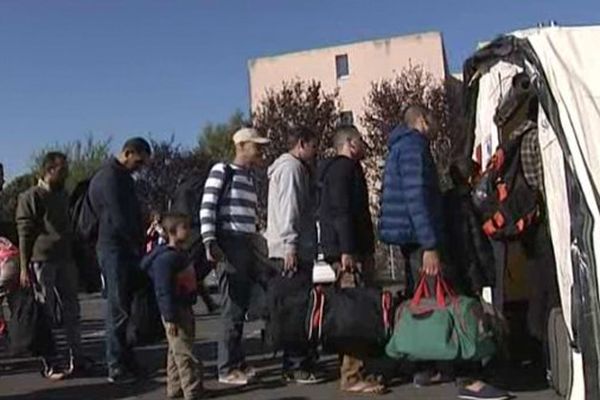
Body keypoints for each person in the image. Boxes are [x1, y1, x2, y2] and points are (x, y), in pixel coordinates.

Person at [378, 105, 510, 400]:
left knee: (425, 304)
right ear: (423, 121)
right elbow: (417, 198)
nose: (436, 126)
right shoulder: (413, 148)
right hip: (422, 240)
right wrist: (430, 245)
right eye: (433, 120)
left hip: (411, 239)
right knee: (450, 298)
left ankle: (428, 365)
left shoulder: (400, 147)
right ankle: (467, 376)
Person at [200, 127, 270, 386]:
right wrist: (210, 241)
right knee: (232, 305)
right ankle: (226, 367)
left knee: (241, 305)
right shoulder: (222, 171)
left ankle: (237, 361)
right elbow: (207, 206)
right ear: (241, 145)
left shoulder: (249, 177)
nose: (260, 151)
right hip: (229, 243)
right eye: (256, 146)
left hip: (246, 243)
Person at [318, 125, 385, 395]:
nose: (364, 143)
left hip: (351, 250)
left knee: (352, 311)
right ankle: (352, 375)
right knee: (354, 312)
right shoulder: (343, 169)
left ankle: (355, 368)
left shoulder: (340, 170)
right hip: (348, 253)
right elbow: (342, 210)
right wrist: (347, 250)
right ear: (349, 143)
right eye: (360, 139)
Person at [16, 152, 90, 379]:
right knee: (46, 313)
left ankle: (76, 357)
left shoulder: (62, 196)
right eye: (62, 169)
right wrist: (23, 266)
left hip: (65, 258)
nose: (66, 173)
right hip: (41, 260)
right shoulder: (31, 196)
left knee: (72, 311)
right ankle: (51, 362)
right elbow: (24, 233)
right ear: (49, 170)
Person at [88, 137, 152, 384]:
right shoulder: (110, 178)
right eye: (139, 161)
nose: (140, 167)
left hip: (122, 248)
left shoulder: (120, 177)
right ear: (128, 153)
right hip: (115, 248)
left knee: (127, 305)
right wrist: (136, 241)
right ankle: (116, 364)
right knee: (118, 308)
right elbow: (118, 218)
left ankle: (126, 358)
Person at [264, 127, 321, 384]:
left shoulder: (288, 168)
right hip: (291, 250)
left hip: (290, 247)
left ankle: (298, 360)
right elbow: (290, 208)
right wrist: (290, 244)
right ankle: (295, 364)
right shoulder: (292, 169)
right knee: (296, 309)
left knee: (294, 307)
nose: (315, 151)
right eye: (313, 145)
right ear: (302, 144)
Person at [141, 213, 203, 400]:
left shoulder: (180, 255)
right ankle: (192, 390)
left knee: (176, 351)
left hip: (184, 307)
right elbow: (163, 291)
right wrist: (170, 317)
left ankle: (175, 388)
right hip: (175, 311)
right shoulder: (165, 260)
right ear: (173, 232)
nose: (189, 230)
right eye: (185, 227)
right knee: (185, 354)